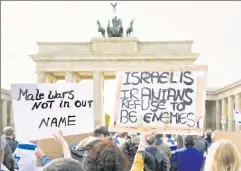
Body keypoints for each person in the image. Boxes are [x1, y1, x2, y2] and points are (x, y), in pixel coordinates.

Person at [36, 125, 110, 166]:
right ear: (102, 136)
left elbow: (56, 167)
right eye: (109, 138)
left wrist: (43, 156)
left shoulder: (75, 146)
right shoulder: (107, 154)